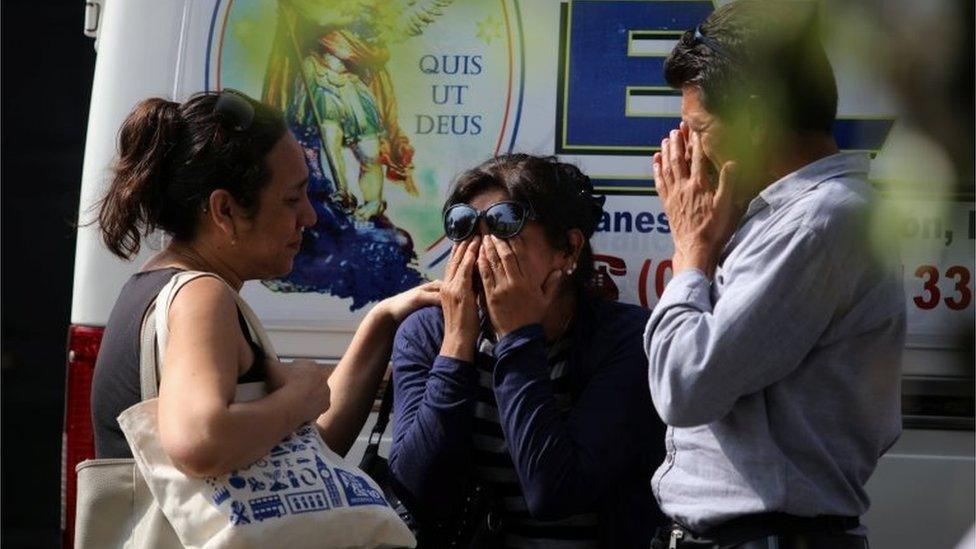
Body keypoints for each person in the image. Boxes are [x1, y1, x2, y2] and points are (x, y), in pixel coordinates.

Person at [644, 2, 905, 548]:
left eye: (700, 127)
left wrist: (691, 253)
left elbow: (685, 386)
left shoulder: (817, 221)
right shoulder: (783, 217)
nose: (686, 148)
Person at [91, 90, 439, 476]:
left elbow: (299, 461)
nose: (309, 217)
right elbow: (200, 442)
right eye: (292, 199)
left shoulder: (153, 287)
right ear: (225, 210)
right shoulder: (201, 296)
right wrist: (299, 398)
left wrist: (381, 322)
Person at [388, 154, 667, 548]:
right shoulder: (429, 333)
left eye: (503, 224)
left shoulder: (627, 339)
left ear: (568, 250)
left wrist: (519, 337)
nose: (481, 250)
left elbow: (554, 491)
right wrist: (455, 347)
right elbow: (418, 491)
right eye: (464, 226)